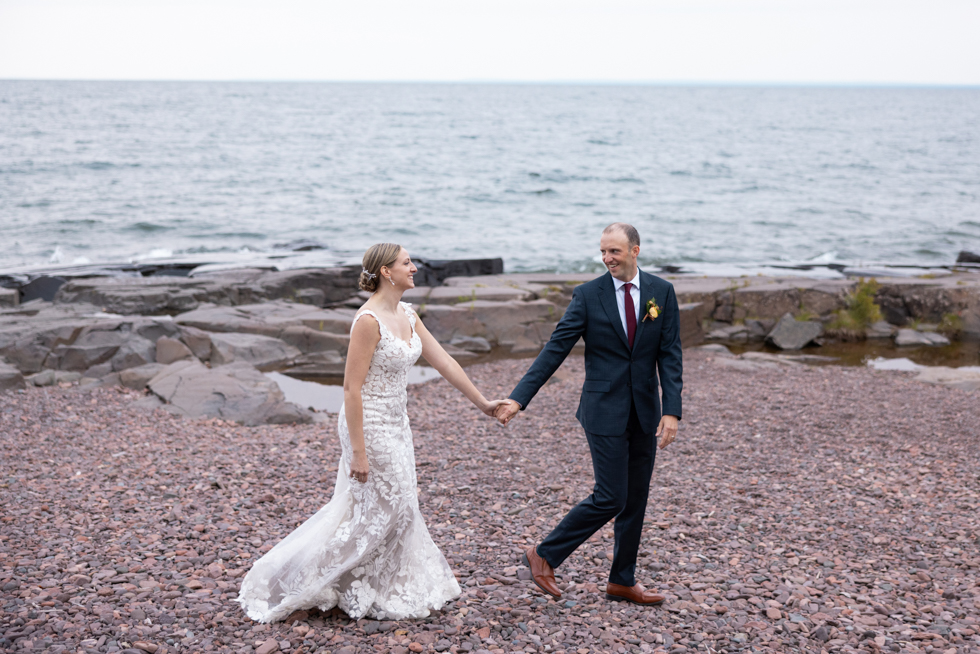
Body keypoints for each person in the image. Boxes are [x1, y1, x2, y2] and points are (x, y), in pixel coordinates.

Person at [237, 243, 505, 622]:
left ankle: (372, 583)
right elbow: (351, 389)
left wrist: (484, 403)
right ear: (386, 272)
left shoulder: (408, 314)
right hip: (367, 423)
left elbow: (443, 360)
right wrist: (358, 452)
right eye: (407, 263)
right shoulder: (367, 321)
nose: (414, 268)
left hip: (398, 422)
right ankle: (308, 578)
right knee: (385, 508)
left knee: (395, 506)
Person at [495, 223, 682, 606]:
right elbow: (555, 349)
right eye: (603, 252)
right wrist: (519, 398)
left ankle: (622, 580)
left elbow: (670, 355)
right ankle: (545, 554)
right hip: (602, 410)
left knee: (636, 499)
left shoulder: (661, 292)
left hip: (645, 411)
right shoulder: (587, 295)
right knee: (611, 497)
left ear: (635, 251)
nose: (607, 259)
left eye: (615, 251)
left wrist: (672, 410)